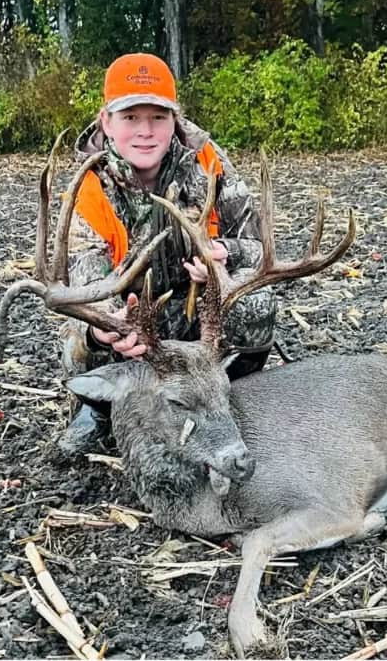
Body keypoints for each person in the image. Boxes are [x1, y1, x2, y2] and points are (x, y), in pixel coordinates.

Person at [58, 53, 278, 453]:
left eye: (158, 117)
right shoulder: (87, 187)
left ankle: (230, 401)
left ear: (175, 120)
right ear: (106, 121)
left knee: (257, 302)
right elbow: (87, 281)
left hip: (200, 318)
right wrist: (106, 325)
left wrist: (221, 256)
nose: (145, 131)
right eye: (130, 118)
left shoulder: (208, 162)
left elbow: (257, 247)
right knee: (79, 335)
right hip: (134, 323)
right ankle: (99, 412)